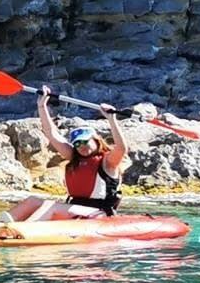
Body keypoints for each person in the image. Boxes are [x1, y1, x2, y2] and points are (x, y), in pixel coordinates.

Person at [10, 87, 129, 221]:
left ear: (96, 141)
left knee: (51, 206)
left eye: (85, 142)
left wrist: (112, 119)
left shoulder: (108, 162)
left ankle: (24, 231)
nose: (81, 146)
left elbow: (121, 148)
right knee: (32, 201)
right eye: (77, 144)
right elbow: (51, 133)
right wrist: (42, 105)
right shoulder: (74, 157)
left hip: (99, 214)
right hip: (74, 210)